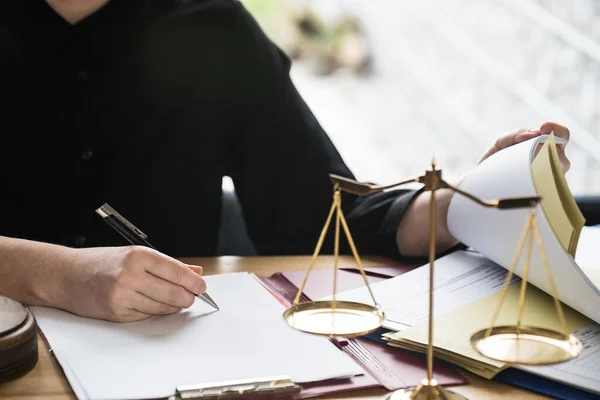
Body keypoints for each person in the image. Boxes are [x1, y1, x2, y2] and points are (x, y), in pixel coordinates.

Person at [0, 0, 571, 322]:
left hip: (160, 351)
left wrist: (468, 200)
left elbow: (326, 215)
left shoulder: (214, 29)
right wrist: (56, 275)